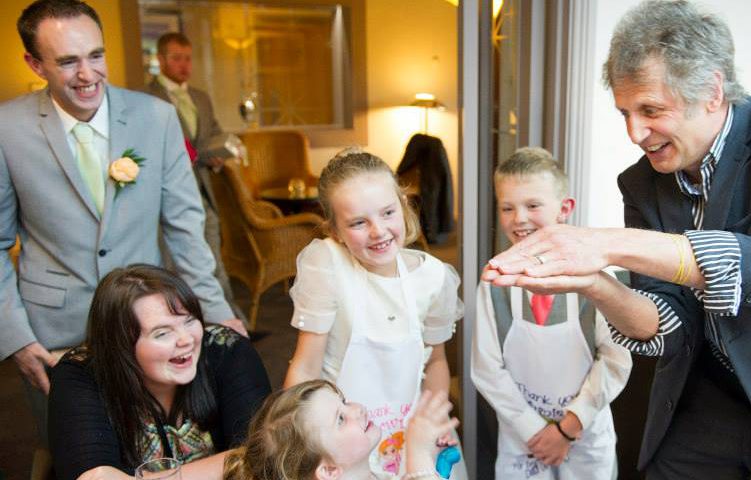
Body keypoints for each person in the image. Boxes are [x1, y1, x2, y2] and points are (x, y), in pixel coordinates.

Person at [483, 1, 751, 479]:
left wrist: (606, 243)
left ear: (711, 91)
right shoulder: (642, 184)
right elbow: (668, 325)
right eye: (624, 112)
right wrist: (593, 283)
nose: (634, 133)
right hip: (710, 396)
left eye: (650, 110)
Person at [0, 0, 245, 464]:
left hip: (149, 325)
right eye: (68, 61)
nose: (88, 74)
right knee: (74, 457)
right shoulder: (6, 128)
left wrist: (215, 309)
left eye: (96, 55)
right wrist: (16, 338)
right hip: (55, 333)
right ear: (35, 64)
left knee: (159, 452)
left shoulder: (156, 117)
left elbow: (185, 227)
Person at [283, 150, 465, 478]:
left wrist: (432, 420)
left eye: (387, 213)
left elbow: (436, 361)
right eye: (358, 223)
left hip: (411, 434)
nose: (378, 231)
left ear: (403, 206)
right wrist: (295, 446)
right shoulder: (327, 265)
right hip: (345, 442)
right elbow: (306, 366)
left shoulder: (433, 278)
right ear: (335, 230)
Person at [471, 147, 631, 479]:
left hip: (585, 435)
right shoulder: (494, 281)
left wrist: (567, 429)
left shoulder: (600, 279)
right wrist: (536, 432)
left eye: (532, 205)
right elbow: (487, 368)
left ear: (564, 208)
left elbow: (615, 361)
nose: (519, 219)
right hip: (522, 436)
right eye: (507, 207)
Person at [47, 264, 271, 480]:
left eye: (189, 320)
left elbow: (262, 453)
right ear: (121, 345)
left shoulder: (226, 350)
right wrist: (226, 463)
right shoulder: (80, 374)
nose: (186, 340)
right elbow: (91, 475)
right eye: (162, 333)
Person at [143, 32, 245, 322]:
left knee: (212, 258)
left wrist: (216, 155)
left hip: (204, 191)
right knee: (179, 264)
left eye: (187, 58)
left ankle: (228, 320)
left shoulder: (201, 97)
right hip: (166, 196)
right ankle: (190, 322)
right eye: (176, 58)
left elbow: (212, 133)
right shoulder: (145, 99)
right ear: (160, 60)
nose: (184, 65)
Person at [224, 381, 458, 480]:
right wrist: (418, 456)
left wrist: (430, 457)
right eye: (341, 419)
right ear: (329, 470)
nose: (356, 410)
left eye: (344, 401)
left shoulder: (370, 470)